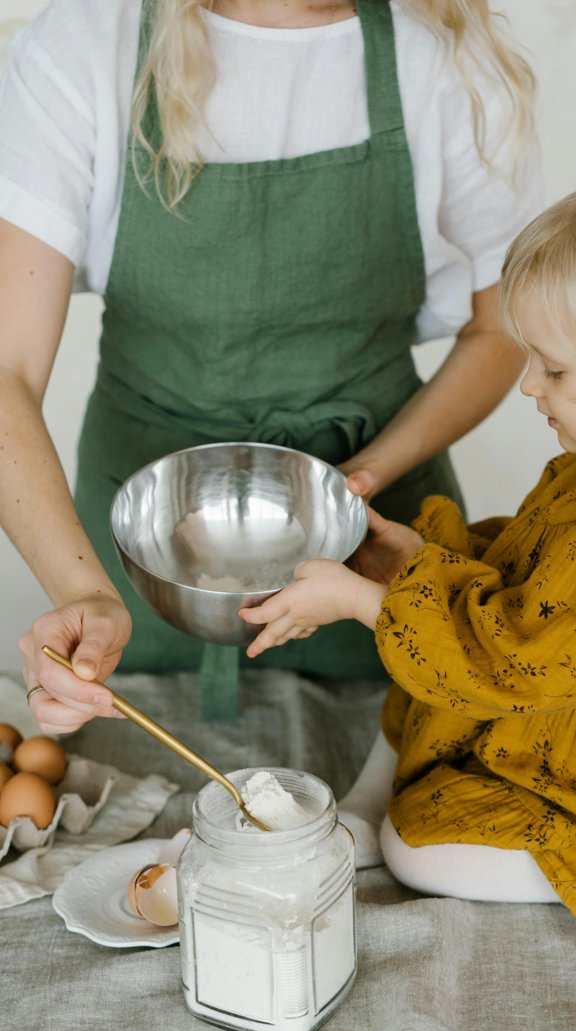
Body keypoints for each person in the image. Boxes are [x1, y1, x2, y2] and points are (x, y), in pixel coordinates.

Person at [0, 0, 541, 729]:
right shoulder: (89, 44)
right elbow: (7, 373)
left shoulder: (449, 57)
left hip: (376, 550)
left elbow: (500, 327)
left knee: (399, 758)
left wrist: (361, 484)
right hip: (143, 559)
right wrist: (87, 594)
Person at [240, 168, 576, 919]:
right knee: (417, 658)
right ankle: (369, 805)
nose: (529, 385)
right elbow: (538, 565)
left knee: (418, 851)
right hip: (544, 690)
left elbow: (518, 660)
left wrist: (365, 603)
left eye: (555, 368)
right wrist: (404, 565)